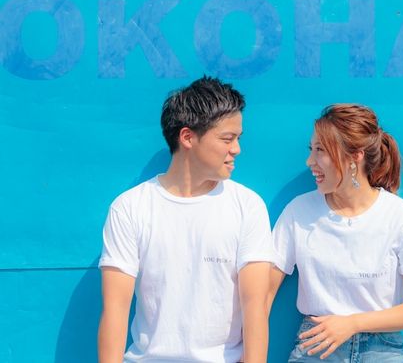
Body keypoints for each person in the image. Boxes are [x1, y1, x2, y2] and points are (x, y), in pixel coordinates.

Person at [98, 76, 272, 363]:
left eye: (238, 138)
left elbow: (255, 307)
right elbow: (115, 310)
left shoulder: (248, 206)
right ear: (188, 137)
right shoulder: (130, 208)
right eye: (227, 139)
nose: (236, 149)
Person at [269, 104, 403, 362]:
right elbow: (262, 293)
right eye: (311, 149)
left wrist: (352, 323)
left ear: (355, 157)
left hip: (382, 349)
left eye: (320, 150)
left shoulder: (402, 216)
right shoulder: (299, 211)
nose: (310, 161)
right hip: (316, 346)